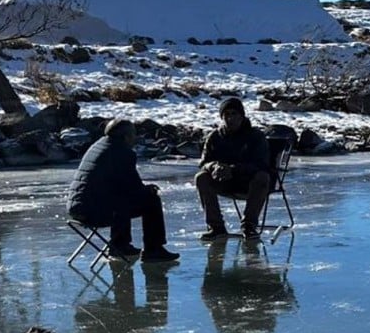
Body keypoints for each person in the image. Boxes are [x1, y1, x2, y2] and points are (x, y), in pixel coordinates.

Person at [67, 118, 180, 262]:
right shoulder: (122, 152)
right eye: (133, 134)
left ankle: (120, 243)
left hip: (77, 208)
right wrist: (148, 190)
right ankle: (152, 249)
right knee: (151, 200)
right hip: (93, 212)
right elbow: (133, 187)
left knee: (119, 197)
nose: (135, 138)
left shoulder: (99, 145)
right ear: (126, 136)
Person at [195, 97, 271, 240]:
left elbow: (262, 164)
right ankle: (216, 227)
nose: (230, 118)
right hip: (223, 180)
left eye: (234, 114)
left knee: (263, 177)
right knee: (201, 177)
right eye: (226, 115)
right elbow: (204, 162)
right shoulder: (215, 136)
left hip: (248, 182)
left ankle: (249, 226)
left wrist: (233, 169)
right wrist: (214, 167)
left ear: (242, 116)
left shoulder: (256, 136)